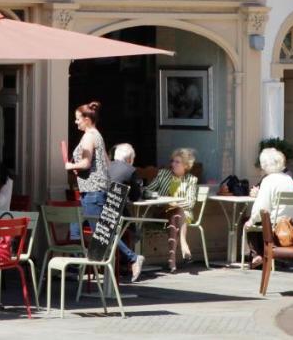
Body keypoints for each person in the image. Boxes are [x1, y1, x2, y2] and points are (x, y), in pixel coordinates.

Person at [64, 102, 146, 279]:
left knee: (101, 232)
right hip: (94, 190)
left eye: (77, 119)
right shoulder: (97, 136)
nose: (75, 122)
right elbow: (104, 163)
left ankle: (133, 258)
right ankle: (77, 265)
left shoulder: (88, 137)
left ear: (87, 119)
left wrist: (70, 165)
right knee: (76, 228)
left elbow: (86, 163)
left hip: (93, 191)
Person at [144, 148, 200, 272]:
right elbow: (147, 190)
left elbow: (190, 203)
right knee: (176, 214)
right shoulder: (163, 174)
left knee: (176, 214)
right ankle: (183, 243)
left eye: (177, 162)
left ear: (186, 165)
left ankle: (172, 259)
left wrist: (175, 203)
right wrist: (159, 198)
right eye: (172, 161)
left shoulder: (191, 180)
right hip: (162, 212)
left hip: (182, 215)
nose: (172, 164)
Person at [245, 147, 293, 268]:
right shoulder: (289, 180)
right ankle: (266, 256)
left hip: (273, 224)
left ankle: (257, 255)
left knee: (249, 222)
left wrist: (250, 221)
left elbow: (261, 208)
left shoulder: (268, 180)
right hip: (290, 223)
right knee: (258, 220)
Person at [107, 143, 146, 281]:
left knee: (124, 224)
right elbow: (136, 196)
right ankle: (130, 257)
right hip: (114, 214)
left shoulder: (107, 167)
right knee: (128, 226)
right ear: (129, 158)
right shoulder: (130, 170)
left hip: (105, 209)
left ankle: (124, 262)